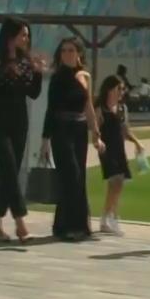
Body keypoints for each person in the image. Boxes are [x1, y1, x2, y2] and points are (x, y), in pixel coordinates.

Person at [0, 17, 46, 243]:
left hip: (20, 123)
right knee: (8, 169)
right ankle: (21, 224)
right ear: (10, 36)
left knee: (10, 174)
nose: (26, 39)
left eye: (27, 35)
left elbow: (33, 93)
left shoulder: (27, 62)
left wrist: (38, 72)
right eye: (22, 34)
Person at [41, 37, 103, 242]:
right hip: (61, 129)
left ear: (79, 54)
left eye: (71, 50)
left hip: (79, 130)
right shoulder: (57, 78)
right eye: (64, 50)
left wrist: (96, 133)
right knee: (71, 175)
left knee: (79, 178)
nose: (67, 54)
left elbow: (89, 107)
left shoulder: (84, 76)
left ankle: (74, 226)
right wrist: (45, 139)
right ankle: (68, 226)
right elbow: (50, 110)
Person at [96, 75, 144, 235]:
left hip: (119, 149)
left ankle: (113, 217)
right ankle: (106, 218)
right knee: (115, 182)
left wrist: (137, 142)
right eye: (119, 88)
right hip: (106, 149)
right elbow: (95, 130)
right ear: (110, 89)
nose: (121, 92)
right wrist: (97, 141)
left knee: (119, 184)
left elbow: (125, 131)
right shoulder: (100, 108)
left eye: (123, 89)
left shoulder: (122, 109)